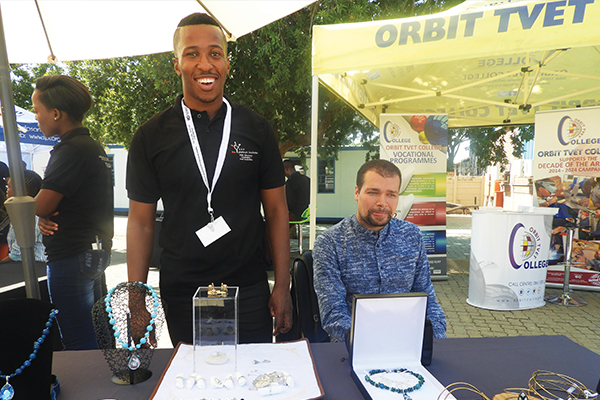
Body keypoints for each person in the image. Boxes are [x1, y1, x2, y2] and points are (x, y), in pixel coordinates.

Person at [126, 13, 292, 345]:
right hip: (183, 289)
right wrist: (137, 300)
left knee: (253, 371)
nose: (205, 64)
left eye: (215, 53)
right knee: (193, 373)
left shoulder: (257, 129)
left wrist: (283, 286)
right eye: (192, 54)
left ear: (227, 63)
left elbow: (276, 211)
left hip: (248, 286)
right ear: (177, 65)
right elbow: (141, 223)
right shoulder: (150, 136)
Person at [313, 159, 446, 343]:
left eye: (391, 194)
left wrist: (437, 339)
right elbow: (334, 315)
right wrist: (375, 345)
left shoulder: (412, 235)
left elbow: (427, 298)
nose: (382, 203)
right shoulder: (330, 243)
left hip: (409, 342)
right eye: (373, 192)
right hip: (354, 346)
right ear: (357, 192)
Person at [33, 75, 114, 350]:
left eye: (37, 110)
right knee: (99, 333)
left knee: (79, 341)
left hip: (72, 257)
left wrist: (36, 210)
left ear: (56, 113)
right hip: (93, 251)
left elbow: (43, 205)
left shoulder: (70, 150)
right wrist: (44, 214)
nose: (36, 117)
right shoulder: (92, 147)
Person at [3, 170, 46, 262]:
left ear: (19, 190)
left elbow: (17, 254)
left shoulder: (27, 216)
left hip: (34, 265)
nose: (7, 190)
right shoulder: (29, 212)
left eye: (9, 187)